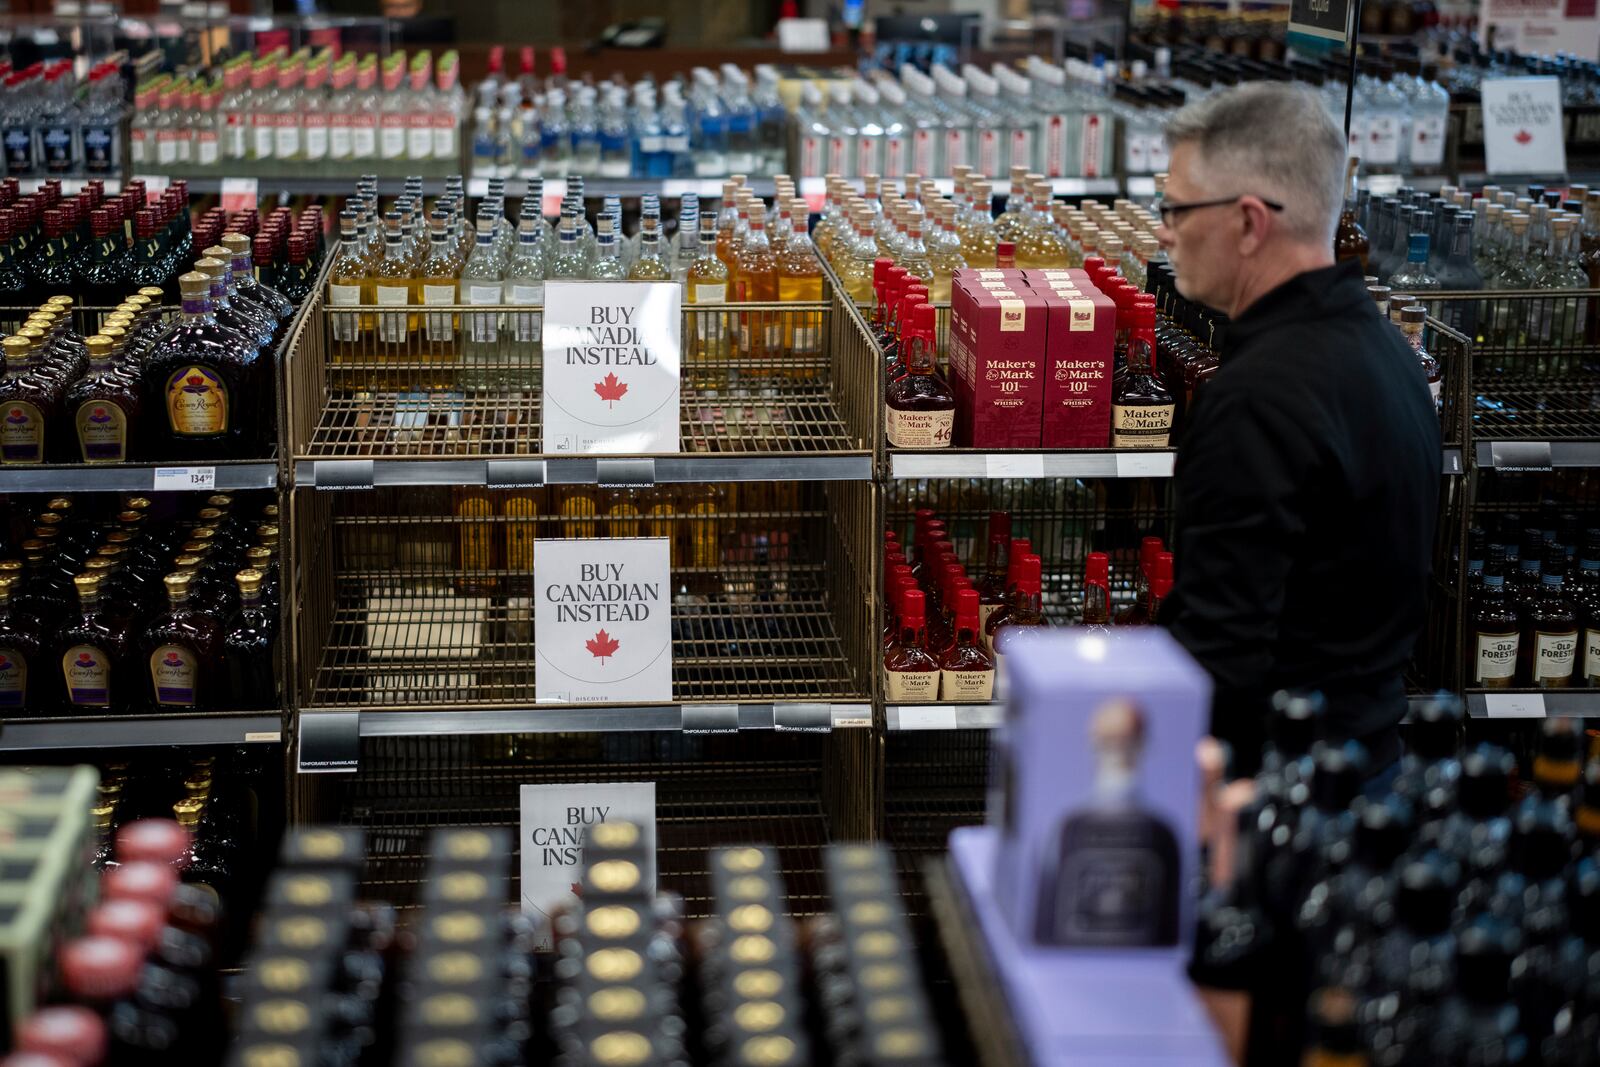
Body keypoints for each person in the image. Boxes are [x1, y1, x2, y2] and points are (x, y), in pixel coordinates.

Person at [1154, 82, 1441, 782]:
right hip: (1369, 771)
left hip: (1276, 808)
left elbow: (1221, 661)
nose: (1163, 230)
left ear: (1250, 223)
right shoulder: (1390, 357)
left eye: (1177, 208)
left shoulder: (1258, 401)